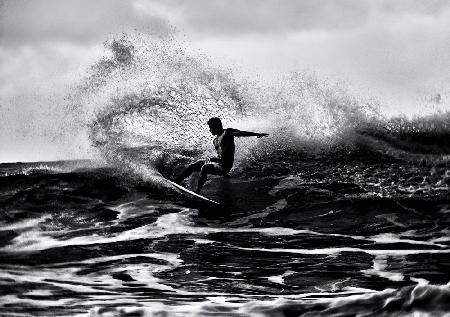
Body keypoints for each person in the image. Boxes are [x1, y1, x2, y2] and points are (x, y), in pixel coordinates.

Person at [176, 117, 269, 193]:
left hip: (225, 167)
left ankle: (197, 192)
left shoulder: (227, 133)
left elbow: (241, 133)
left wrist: (257, 134)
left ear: (218, 126)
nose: (210, 130)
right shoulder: (215, 140)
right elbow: (221, 155)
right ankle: (177, 181)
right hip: (219, 164)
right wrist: (214, 160)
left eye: (211, 128)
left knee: (205, 167)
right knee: (195, 165)